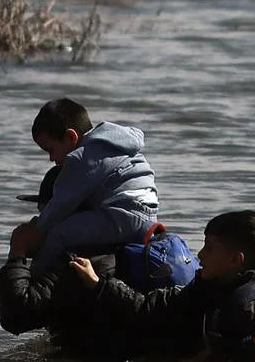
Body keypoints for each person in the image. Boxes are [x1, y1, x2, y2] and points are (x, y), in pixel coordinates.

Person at [70, 211, 255, 362]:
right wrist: (99, 284)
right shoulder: (206, 289)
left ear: (236, 259)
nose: (201, 255)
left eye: (210, 248)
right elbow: (148, 308)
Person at [0, 167, 143, 362]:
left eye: (43, 214)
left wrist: (17, 252)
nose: (36, 223)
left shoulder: (76, 263)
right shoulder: (115, 242)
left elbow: (17, 315)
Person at [15, 98, 160, 270]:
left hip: (123, 215)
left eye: (50, 150)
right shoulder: (115, 146)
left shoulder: (82, 158)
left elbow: (61, 205)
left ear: (70, 137)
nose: (51, 158)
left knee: (58, 235)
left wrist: (35, 231)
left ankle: (35, 280)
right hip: (148, 214)